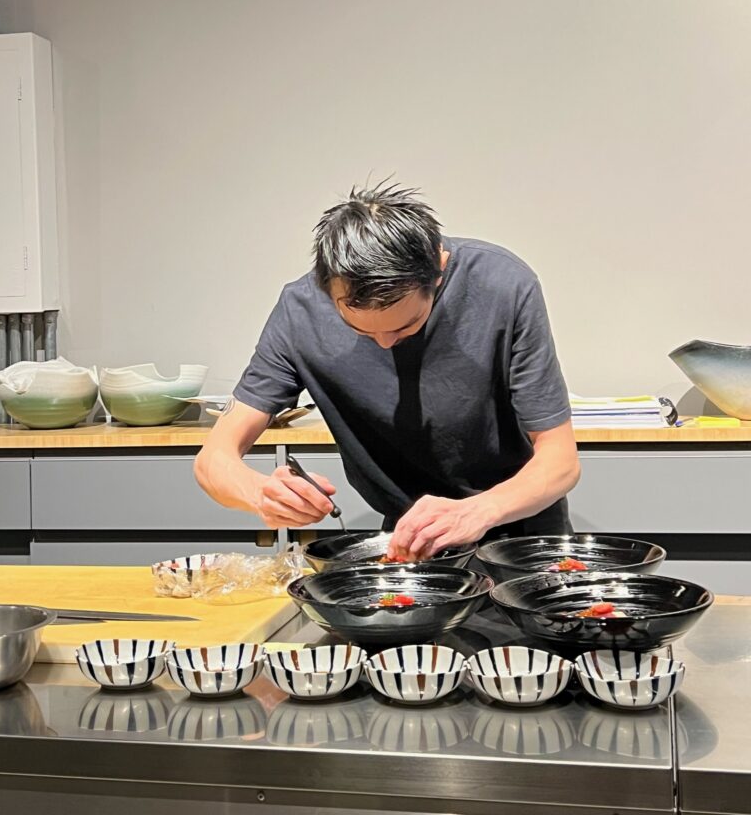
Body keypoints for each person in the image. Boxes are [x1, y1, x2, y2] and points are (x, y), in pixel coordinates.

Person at [195, 182, 580, 559]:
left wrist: (477, 511)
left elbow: (560, 461)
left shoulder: (503, 285)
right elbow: (213, 459)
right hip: (409, 539)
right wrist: (259, 494)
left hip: (523, 536)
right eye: (360, 330)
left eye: (405, 327)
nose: (383, 344)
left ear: (439, 269)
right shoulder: (300, 313)